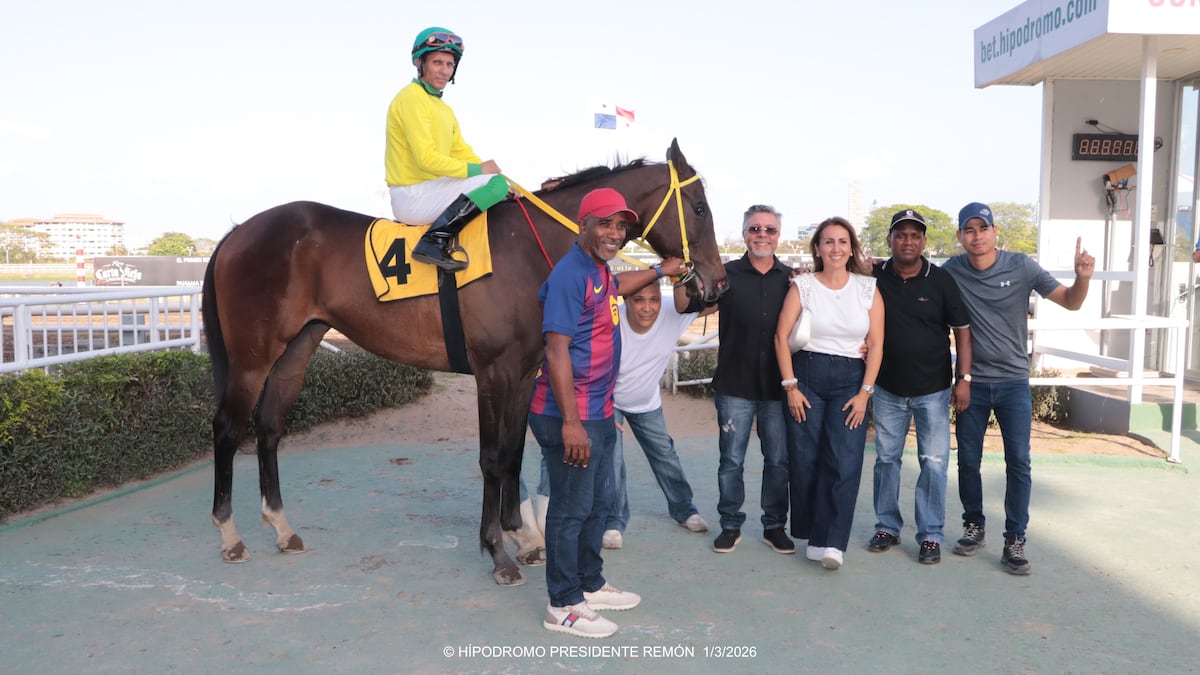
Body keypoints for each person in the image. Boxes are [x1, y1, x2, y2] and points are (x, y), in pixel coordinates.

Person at [941, 202, 1094, 575]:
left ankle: (1015, 539)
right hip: (971, 384)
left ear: (995, 233)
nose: (977, 236)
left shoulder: (1022, 266)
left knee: (1019, 462)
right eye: (969, 230)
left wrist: (1083, 277)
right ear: (961, 236)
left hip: (1012, 383)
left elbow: (1070, 303)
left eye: (983, 229)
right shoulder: (951, 271)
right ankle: (974, 525)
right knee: (968, 460)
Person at [531, 187, 655, 638]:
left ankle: (589, 583)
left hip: (597, 412)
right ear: (583, 225)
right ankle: (563, 604)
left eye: (621, 226)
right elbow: (557, 350)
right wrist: (572, 423)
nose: (615, 233)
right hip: (569, 414)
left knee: (598, 503)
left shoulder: (599, 269)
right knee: (570, 509)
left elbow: (617, 285)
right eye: (605, 223)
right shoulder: (571, 274)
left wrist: (660, 270)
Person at [775, 216, 883, 571]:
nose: (835, 248)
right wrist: (790, 386)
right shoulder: (803, 287)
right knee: (806, 458)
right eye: (828, 242)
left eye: (842, 242)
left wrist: (865, 392)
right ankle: (812, 535)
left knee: (845, 459)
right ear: (818, 248)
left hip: (851, 378)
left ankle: (833, 542)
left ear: (851, 247)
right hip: (806, 376)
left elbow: (877, 344)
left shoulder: (867, 288)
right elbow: (781, 337)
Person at [867, 209, 973, 565]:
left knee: (933, 462)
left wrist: (964, 380)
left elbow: (962, 331)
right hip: (886, 388)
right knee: (886, 460)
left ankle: (930, 535)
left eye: (915, 235)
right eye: (901, 235)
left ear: (924, 241)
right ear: (890, 240)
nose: (908, 241)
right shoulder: (874, 274)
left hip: (934, 390)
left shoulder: (941, 280)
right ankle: (887, 526)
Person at [384, 26, 509, 271]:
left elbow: (461, 151)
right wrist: (481, 172)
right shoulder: (411, 97)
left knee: (498, 184)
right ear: (420, 63)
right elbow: (426, 159)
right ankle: (433, 241)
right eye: (437, 62)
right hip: (411, 195)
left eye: (449, 64)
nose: (444, 70)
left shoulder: (444, 109)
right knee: (495, 185)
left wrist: (497, 178)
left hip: (431, 190)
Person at [601, 278, 711, 549]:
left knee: (665, 455)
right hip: (608, 402)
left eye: (654, 300)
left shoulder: (673, 311)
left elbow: (718, 301)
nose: (647, 308)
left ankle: (684, 510)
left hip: (646, 402)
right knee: (612, 463)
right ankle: (614, 522)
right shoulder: (609, 317)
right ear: (625, 300)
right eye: (638, 300)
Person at [710, 204, 794, 555]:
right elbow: (691, 305)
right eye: (755, 229)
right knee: (731, 460)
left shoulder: (794, 280)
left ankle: (774, 525)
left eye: (769, 229)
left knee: (778, 460)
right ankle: (730, 524)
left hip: (779, 386)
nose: (762, 235)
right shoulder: (724, 276)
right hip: (734, 384)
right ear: (745, 234)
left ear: (778, 236)